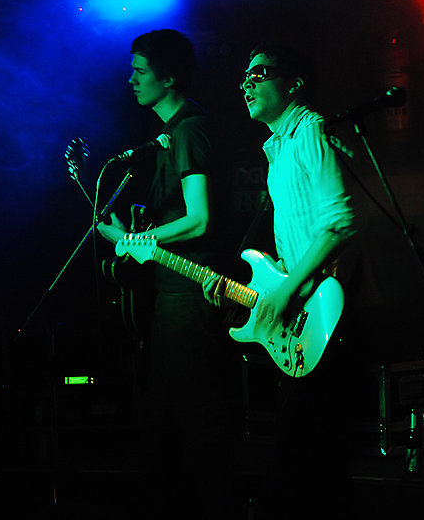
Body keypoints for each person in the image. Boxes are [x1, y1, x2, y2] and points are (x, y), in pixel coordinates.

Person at [203, 44, 357, 518]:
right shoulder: (277, 148)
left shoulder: (310, 130)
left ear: (294, 84)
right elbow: (296, 243)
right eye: (244, 77)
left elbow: (340, 221)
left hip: (329, 308)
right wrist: (252, 287)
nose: (246, 84)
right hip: (302, 312)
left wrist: (288, 290)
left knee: (305, 453)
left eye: (260, 74)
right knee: (304, 454)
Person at [97, 29, 232, 516]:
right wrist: (133, 237)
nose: (130, 80)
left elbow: (200, 219)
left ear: (169, 76)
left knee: (191, 420)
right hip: (174, 294)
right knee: (166, 418)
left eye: (140, 71)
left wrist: (134, 241)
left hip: (192, 295)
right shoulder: (169, 135)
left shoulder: (190, 131)